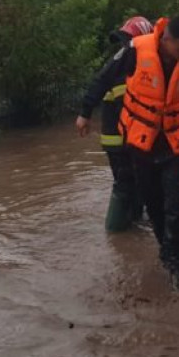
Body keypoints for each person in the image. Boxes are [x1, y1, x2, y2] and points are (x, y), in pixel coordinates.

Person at [84, 16, 179, 293]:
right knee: (153, 205)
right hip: (142, 144)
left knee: (175, 208)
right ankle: (165, 252)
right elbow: (105, 76)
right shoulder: (135, 51)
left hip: (174, 144)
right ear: (166, 40)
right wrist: (85, 112)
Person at [76, 16, 153, 232]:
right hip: (119, 137)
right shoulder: (124, 58)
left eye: (128, 39)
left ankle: (133, 223)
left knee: (136, 181)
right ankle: (116, 232)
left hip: (133, 137)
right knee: (125, 182)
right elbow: (99, 82)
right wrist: (85, 113)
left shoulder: (140, 64)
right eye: (124, 40)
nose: (125, 44)